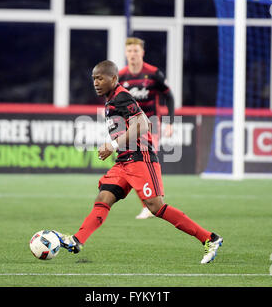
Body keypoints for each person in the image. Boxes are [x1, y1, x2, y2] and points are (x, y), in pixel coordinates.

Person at [53, 60, 223, 264]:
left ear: (114, 79)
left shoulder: (122, 96)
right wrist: (115, 148)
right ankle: (77, 240)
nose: (96, 83)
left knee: (156, 207)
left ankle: (209, 239)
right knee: (103, 197)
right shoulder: (111, 100)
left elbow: (143, 124)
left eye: (100, 78)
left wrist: (113, 145)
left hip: (141, 158)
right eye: (94, 79)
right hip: (124, 162)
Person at [119, 37, 175, 219]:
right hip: (129, 127)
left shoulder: (153, 74)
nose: (132, 54)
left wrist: (171, 122)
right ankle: (147, 204)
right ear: (126, 53)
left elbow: (170, 96)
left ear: (142, 53)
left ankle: (153, 202)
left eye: (136, 51)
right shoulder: (121, 76)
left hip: (151, 124)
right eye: (130, 51)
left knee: (145, 162)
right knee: (133, 164)